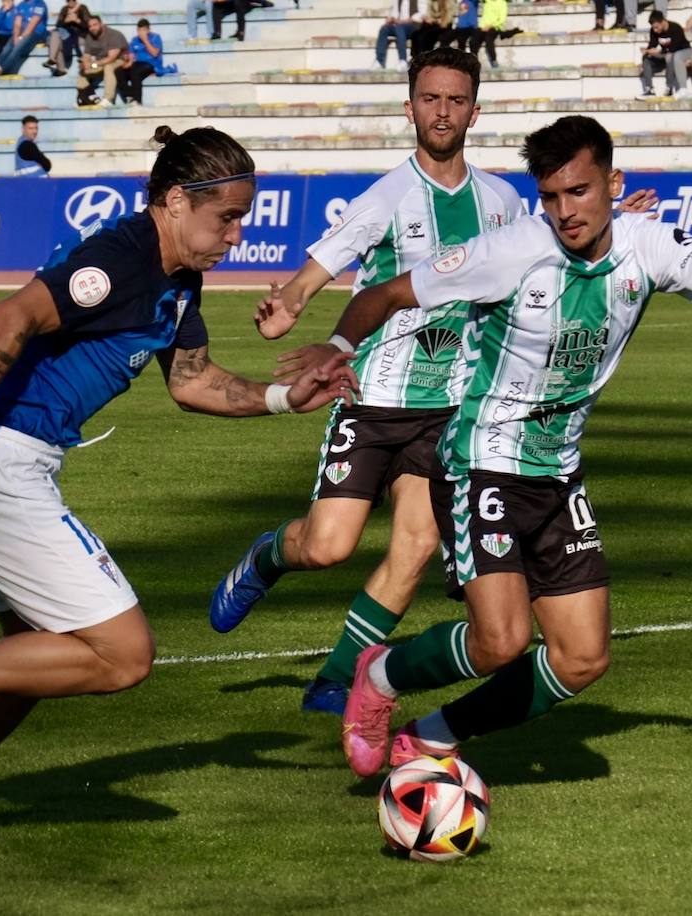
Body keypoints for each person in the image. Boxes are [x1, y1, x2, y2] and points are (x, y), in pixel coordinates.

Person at [0, 125, 357, 842]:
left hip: (7, 463)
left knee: (31, 662)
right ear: (176, 201)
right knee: (124, 655)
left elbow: (192, 383)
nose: (238, 235)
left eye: (242, 218)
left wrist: (285, 398)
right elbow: (6, 318)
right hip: (0, 464)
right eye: (227, 217)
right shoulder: (121, 259)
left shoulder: (178, 278)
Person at [289, 115, 692, 776]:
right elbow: (386, 293)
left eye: (579, 191)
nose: (565, 211)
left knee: (582, 658)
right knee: (502, 641)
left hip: (557, 475)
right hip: (480, 466)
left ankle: (431, 736)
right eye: (550, 196)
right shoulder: (510, 250)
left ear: (614, 183)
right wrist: (338, 345)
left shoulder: (649, 245)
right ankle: (379, 675)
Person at [206, 48, 522, 716]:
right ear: (410, 108)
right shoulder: (387, 196)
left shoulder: (503, 201)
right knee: (327, 547)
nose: (443, 112)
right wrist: (288, 306)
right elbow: (320, 268)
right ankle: (267, 558)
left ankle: (335, 679)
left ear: (475, 111)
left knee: (416, 544)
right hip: (371, 399)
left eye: (456, 100)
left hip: (449, 409)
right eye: (430, 99)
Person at [122, 18, 178, 106]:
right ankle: (129, 95)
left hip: (151, 63)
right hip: (137, 63)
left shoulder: (155, 38)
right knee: (118, 71)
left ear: (148, 30)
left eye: (143, 30)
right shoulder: (134, 40)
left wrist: (145, 40)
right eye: (139, 30)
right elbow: (131, 55)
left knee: (135, 72)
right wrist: (128, 62)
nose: (141, 32)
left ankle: (137, 100)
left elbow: (154, 53)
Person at [639, 9, 692, 97]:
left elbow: (674, 48)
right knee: (646, 58)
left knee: (670, 56)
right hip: (665, 55)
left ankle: (669, 87)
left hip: (678, 56)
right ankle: (649, 88)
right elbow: (652, 45)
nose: (655, 30)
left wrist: (657, 51)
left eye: (657, 27)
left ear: (663, 22)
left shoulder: (676, 28)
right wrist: (648, 51)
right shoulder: (654, 31)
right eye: (653, 28)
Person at [76, 14, 127, 107]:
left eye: (95, 25)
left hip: (119, 60)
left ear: (101, 24)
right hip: (100, 62)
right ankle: (87, 97)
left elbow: (111, 58)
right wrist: (85, 63)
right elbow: (86, 55)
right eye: (90, 26)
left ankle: (108, 99)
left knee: (108, 67)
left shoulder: (114, 35)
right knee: (83, 71)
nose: (92, 28)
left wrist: (93, 64)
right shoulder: (89, 37)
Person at [0, 0, 49, 75]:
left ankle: (3, 70)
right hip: (22, 32)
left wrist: (21, 38)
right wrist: (16, 37)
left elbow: (33, 23)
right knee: (7, 48)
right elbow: (17, 23)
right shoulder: (21, 5)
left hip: (36, 33)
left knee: (18, 48)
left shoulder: (39, 4)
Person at [45, 0, 90, 75]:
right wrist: (66, 21)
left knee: (56, 42)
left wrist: (77, 20)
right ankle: (52, 59)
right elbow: (58, 25)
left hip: (80, 36)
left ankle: (61, 68)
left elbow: (89, 25)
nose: (70, 1)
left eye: (72, 0)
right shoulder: (64, 9)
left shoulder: (83, 8)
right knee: (55, 34)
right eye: (68, 0)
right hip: (66, 35)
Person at [375, 0, 421, 68]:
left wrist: (407, 20)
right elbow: (395, 13)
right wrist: (391, 19)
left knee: (399, 27)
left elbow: (422, 13)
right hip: (399, 26)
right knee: (384, 29)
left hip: (414, 26)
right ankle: (379, 61)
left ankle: (403, 60)